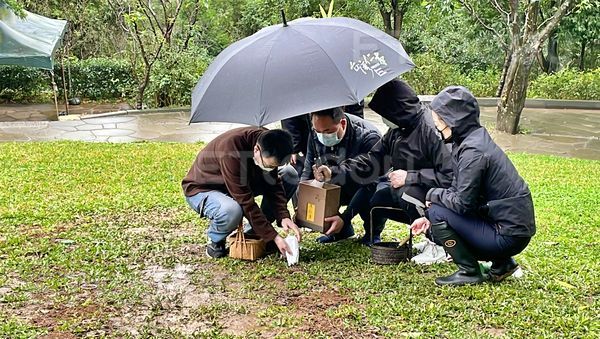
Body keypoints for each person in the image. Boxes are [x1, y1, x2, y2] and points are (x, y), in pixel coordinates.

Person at [411, 86, 536, 286]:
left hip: (508, 235)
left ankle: (469, 271)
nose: (437, 129)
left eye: (439, 124)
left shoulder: (473, 152)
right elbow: (459, 190)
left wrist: (432, 194)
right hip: (511, 229)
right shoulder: (472, 140)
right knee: (435, 213)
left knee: (437, 212)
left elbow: (462, 203)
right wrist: (426, 218)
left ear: (454, 121)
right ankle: (502, 264)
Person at [320, 80, 453, 249]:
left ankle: (439, 242)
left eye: (385, 113)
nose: (383, 119)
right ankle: (377, 234)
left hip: (437, 193)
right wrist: (334, 172)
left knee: (405, 192)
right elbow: (372, 160)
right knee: (378, 197)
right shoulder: (398, 130)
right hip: (415, 188)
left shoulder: (431, 130)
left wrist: (410, 177)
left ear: (395, 110)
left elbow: (450, 176)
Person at [182, 127, 302, 259]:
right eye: (269, 166)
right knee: (232, 210)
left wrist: (283, 215)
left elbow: (273, 183)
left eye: (274, 167)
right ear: (256, 149)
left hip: (243, 182)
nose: (271, 170)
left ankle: (254, 232)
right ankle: (215, 239)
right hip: (205, 188)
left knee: (289, 174)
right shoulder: (230, 150)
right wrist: (273, 236)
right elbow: (245, 200)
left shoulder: (270, 140)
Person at [302, 107, 382, 243]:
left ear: (343, 124)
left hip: (364, 183)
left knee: (374, 190)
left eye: (327, 131)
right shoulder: (315, 133)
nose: (322, 135)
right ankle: (340, 231)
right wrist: (303, 200)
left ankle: (372, 232)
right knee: (321, 190)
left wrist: (345, 218)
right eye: (318, 131)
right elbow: (308, 169)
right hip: (335, 181)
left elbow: (370, 178)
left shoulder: (370, 137)